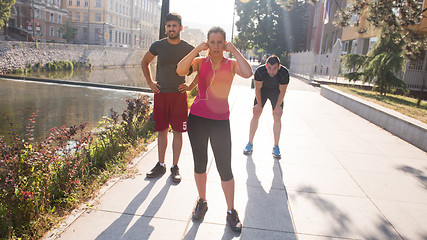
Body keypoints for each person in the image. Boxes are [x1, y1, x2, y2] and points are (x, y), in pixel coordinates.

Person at [176, 26, 252, 232]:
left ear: (225, 43)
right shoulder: (200, 63)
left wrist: (234, 50)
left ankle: (230, 211)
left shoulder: (232, 64)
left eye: (220, 42)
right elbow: (180, 70)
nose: (216, 46)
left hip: (220, 122)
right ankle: (202, 201)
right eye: (212, 42)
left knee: (224, 168)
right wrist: (196, 50)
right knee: (199, 163)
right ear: (207, 43)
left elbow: (248, 73)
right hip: (198, 120)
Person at [141, 13, 195, 183]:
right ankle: (161, 164)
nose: (171, 29)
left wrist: (190, 86)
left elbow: (201, 68)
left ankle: (175, 166)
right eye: (168, 26)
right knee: (162, 130)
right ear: (165, 27)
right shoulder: (158, 45)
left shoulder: (188, 48)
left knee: (178, 132)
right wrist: (150, 83)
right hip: (161, 94)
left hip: (179, 96)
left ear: (181, 27)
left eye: (174, 26)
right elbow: (144, 62)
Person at [243, 55, 289, 159]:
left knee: (277, 115)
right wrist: (259, 105)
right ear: (266, 65)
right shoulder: (260, 71)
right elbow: (258, 89)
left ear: (279, 67)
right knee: (256, 113)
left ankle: (276, 146)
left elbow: (282, 91)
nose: (271, 71)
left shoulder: (284, 73)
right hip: (263, 91)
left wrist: (277, 107)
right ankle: (250, 143)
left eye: (274, 68)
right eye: (269, 68)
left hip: (276, 92)